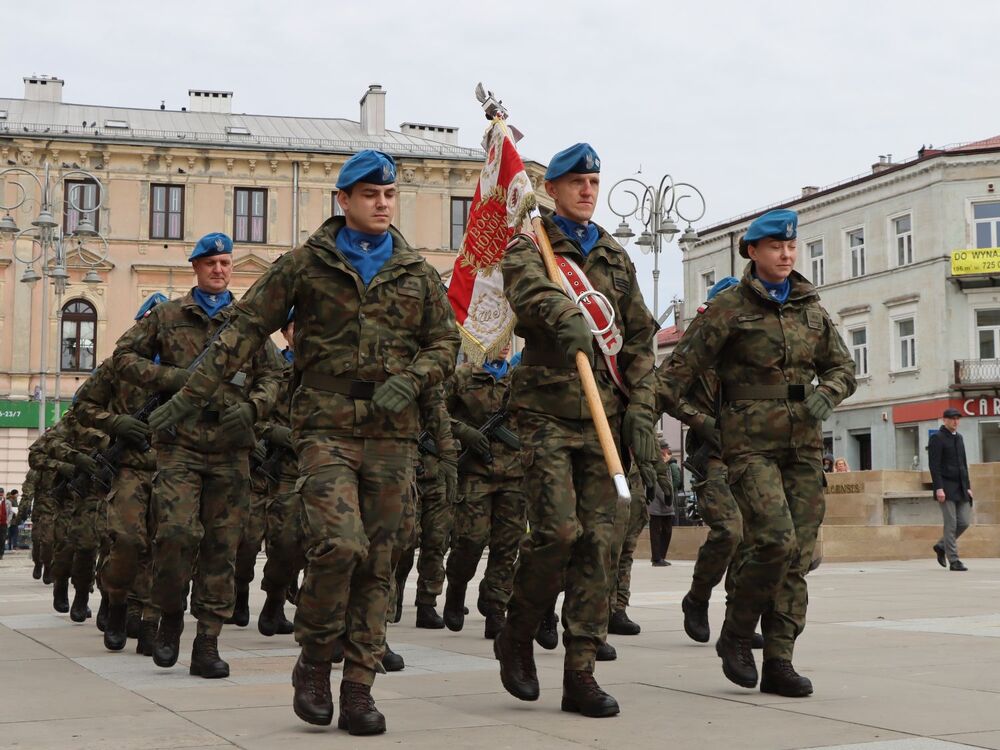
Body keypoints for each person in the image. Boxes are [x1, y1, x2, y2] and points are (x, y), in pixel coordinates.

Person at [146, 149, 460, 736]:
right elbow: (242, 331)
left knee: (380, 561)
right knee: (340, 546)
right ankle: (315, 661)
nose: (383, 203)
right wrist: (189, 398)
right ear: (343, 201)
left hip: (393, 436)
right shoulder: (305, 264)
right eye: (370, 194)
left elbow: (446, 344)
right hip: (326, 428)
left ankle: (360, 686)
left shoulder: (417, 272)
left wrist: (414, 378)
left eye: (390, 194)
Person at [657, 208, 856, 698]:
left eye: (791, 246)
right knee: (773, 541)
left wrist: (826, 393)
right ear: (753, 251)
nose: (786, 254)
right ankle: (738, 634)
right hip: (748, 446)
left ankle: (781, 659)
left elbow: (844, 368)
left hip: (803, 445)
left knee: (801, 554)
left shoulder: (811, 307)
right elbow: (674, 377)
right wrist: (688, 422)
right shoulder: (729, 307)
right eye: (774, 247)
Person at [494, 143, 657, 718]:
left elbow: (638, 337)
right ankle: (516, 629)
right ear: (552, 189)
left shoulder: (614, 256)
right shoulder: (530, 245)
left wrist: (642, 405)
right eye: (577, 182)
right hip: (545, 412)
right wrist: (566, 317)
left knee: (601, 541)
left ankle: (580, 670)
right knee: (559, 533)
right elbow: (530, 295)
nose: (588, 190)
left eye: (594, 181)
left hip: (604, 416)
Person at [114, 232, 283, 679]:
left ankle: (207, 640)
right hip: (180, 447)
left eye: (226, 263)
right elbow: (123, 358)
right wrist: (174, 381)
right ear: (196, 267)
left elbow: (274, 376)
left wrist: (252, 408)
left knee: (222, 547)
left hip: (231, 451)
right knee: (174, 535)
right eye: (211, 263)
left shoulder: (246, 322)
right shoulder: (168, 317)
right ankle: (169, 618)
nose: (220, 270)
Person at [443, 342, 524, 639]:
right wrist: (463, 431)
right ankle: (457, 586)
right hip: (476, 472)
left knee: (506, 546)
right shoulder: (463, 376)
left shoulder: (518, 378)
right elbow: (435, 411)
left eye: (507, 339)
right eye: (497, 339)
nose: (504, 346)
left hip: (514, 474)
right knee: (470, 540)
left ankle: (495, 608)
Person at [930, 407, 973, 571]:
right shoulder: (937, 438)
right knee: (951, 524)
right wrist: (938, 488)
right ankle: (954, 561)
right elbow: (934, 466)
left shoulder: (959, 438)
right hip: (946, 487)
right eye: (952, 418)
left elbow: (963, 464)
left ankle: (941, 546)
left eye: (957, 418)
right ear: (945, 420)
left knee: (964, 522)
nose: (955, 421)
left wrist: (968, 487)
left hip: (961, 487)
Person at [648, 441, 677, 567]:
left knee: (667, 532)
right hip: (657, 506)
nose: (667, 452)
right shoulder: (656, 466)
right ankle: (656, 558)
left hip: (667, 505)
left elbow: (669, 484)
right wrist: (667, 499)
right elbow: (659, 486)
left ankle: (661, 556)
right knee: (656, 533)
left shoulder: (667, 466)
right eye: (665, 449)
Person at [0, 490, 11, 559]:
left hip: (4, 524)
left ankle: (1, 554)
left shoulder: (8, 502)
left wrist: (8, 520)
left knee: (2, 539)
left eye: (1, 493)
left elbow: (10, 512)